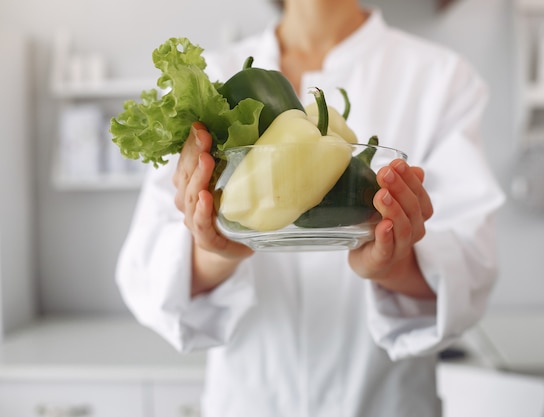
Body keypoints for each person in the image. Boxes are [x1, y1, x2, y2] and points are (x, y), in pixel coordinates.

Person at [115, 0, 505, 416]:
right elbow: (146, 276)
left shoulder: (440, 78)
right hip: (249, 401)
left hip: (385, 402)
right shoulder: (212, 76)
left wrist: (395, 265)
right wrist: (213, 251)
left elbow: (472, 271)